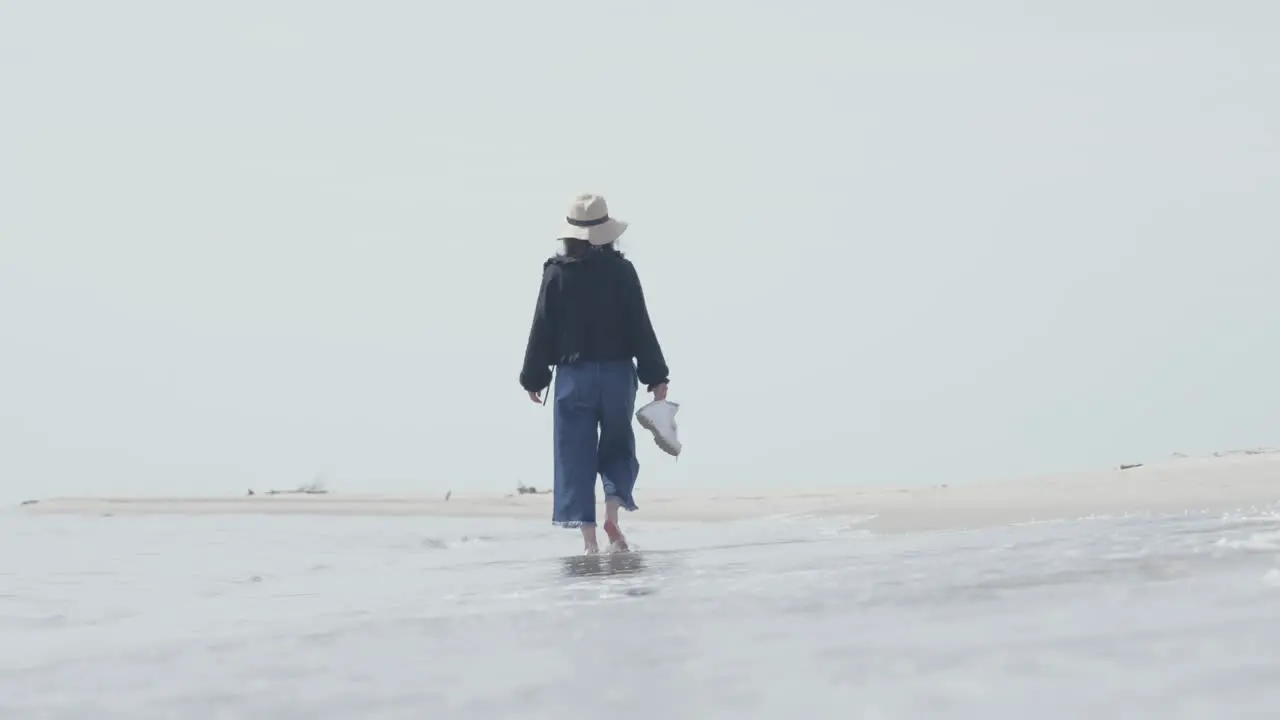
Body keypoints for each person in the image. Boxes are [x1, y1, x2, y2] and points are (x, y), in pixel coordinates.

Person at [519, 193, 671, 554]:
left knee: (574, 455)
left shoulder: (556, 273)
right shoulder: (622, 271)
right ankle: (613, 517)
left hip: (573, 377)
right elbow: (640, 325)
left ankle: (589, 543)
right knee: (618, 446)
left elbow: (542, 326)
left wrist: (534, 377)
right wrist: (657, 375)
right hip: (617, 375)